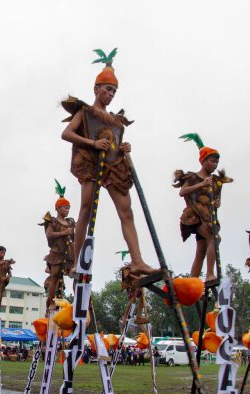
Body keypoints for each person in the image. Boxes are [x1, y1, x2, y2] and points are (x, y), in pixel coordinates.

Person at [60, 48, 156, 276]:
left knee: (127, 211)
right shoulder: (85, 112)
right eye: (108, 89)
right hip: (91, 163)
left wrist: (124, 149)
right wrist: (92, 144)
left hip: (113, 167)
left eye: (114, 90)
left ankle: (138, 260)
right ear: (96, 89)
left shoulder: (116, 122)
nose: (111, 93)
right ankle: (77, 262)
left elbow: (115, 145)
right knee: (86, 208)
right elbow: (66, 134)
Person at [174, 133, 232, 284]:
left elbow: (215, 201)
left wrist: (218, 203)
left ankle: (192, 281)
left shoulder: (216, 182)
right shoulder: (193, 177)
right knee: (214, 238)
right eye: (212, 161)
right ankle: (210, 274)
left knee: (201, 250)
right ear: (203, 161)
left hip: (208, 217)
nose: (215, 165)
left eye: (217, 163)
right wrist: (201, 184)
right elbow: (182, 192)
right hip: (194, 217)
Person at [40, 180, 75, 309]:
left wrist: (73, 234)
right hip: (56, 254)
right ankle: (51, 301)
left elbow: (75, 239)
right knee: (54, 277)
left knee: (75, 276)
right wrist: (64, 233)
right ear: (58, 208)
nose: (67, 210)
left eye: (68, 208)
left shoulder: (70, 222)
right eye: (65, 208)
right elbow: (49, 235)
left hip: (69, 254)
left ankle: (76, 301)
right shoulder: (52, 221)